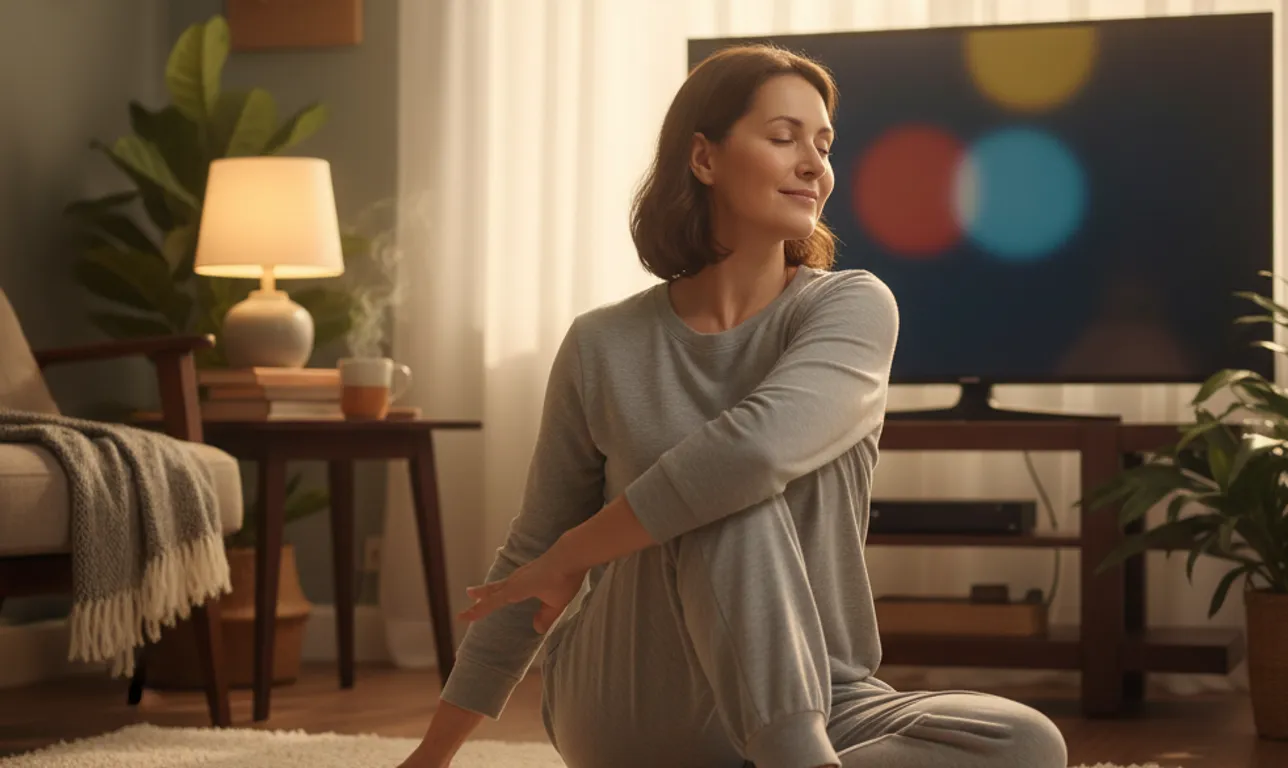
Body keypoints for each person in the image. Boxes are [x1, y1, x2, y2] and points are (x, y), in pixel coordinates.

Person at [398, 44, 1068, 768]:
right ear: (704, 158)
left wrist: (572, 556)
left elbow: (757, 447)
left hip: (822, 693)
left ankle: (796, 756)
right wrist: (430, 758)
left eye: (824, 146)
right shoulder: (602, 343)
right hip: (634, 694)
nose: (814, 165)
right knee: (726, 493)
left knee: (1025, 742)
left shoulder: (851, 306)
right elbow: (533, 551)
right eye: (784, 138)